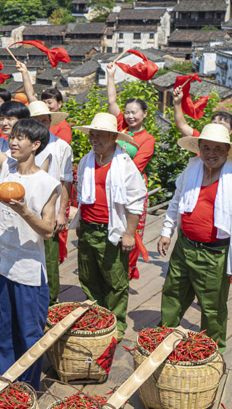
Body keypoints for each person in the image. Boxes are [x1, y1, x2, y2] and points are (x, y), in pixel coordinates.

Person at [0, 99, 60, 390]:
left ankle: (29, 387)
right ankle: (8, 380)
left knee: (29, 332)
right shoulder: (5, 168)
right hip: (0, 264)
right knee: (5, 331)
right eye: (12, 137)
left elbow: (48, 231)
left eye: (20, 138)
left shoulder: (48, 184)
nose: (14, 142)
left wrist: (24, 211)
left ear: (35, 145)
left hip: (27, 272)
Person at [158, 124, 232, 352]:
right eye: (206, 148)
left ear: (227, 151)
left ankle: (211, 350)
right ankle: (164, 335)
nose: (211, 154)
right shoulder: (192, 169)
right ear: (199, 148)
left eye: (217, 149)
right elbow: (177, 200)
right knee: (173, 292)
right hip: (185, 245)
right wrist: (166, 231)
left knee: (212, 305)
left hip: (214, 252)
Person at [72, 113, 147, 339]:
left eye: (99, 135)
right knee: (88, 275)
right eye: (91, 135)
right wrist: (80, 222)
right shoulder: (87, 159)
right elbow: (82, 194)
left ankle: (117, 323)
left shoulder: (124, 164)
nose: (94, 139)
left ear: (113, 136)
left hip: (111, 230)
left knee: (115, 280)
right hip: (88, 226)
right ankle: (97, 315)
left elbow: (136, 201)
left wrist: (129, 234)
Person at [106, 63, 156, 280]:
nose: (129, 116)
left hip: (133, 187)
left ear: (144, 114)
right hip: (112, 183)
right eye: (127, 112)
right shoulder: (120, 127)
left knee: (132, 230)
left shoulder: (148, 139)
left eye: (134, 113)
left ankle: (127, 270)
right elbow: (111, 101)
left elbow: (136, 167)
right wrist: (110, 76)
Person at [27, 101, 73, 305]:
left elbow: (66, 181)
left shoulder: (61, 146)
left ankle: (50, 300)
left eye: (43, 121)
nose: (40, 125)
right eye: (35, 121)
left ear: (50, 122)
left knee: (50, 258)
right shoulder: (22, 146)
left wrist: (61, 211)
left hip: (49, 211)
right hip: (25, 210)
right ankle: (29, 296)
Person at [16, 61, 72, 144]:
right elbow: (30, 95)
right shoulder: (39, 112)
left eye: (50, 102)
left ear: (59, 104)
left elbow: (61, 150)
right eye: (44, 102)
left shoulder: (63, 127)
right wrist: (24, 72)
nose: (46, 105)